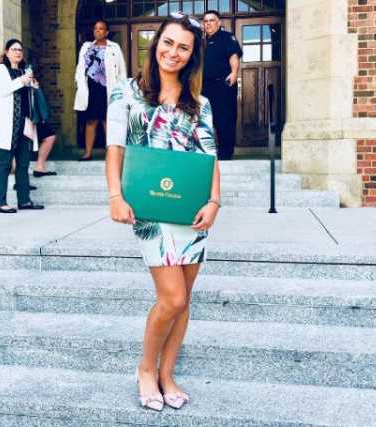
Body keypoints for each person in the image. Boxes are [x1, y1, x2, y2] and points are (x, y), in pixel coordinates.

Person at [106, 12, 221, 411]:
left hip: (191, 209)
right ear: (156, 44)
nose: (174, 52)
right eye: (168, 43)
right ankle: (145, 368)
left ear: (192, 56)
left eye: (184, 47)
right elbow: (115, 148)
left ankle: (167, 374)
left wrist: (214, 202)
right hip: (149, 207)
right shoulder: (125, 92)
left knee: (184, 299)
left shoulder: (200, 103)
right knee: (171, 298)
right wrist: (115, 195)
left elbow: (210, 157)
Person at [0, 39, 44, 213]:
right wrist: (22, 80)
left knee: (23, 163)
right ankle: (0, 203)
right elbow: (0, 90)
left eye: (20, 50)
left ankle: (25, 200)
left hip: (24, 123)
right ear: (6, 52)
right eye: (14, 49)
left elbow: (29, 97)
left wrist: (33, 86)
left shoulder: (25, 70)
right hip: (8, 124)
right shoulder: (0, 70)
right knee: (5, 162)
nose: (18, 52)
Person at [74, 19, 127, 161]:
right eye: (95, 28)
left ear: (106, 32)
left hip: (108, 89)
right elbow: (80, 67)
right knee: (90, 121)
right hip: (90, 89)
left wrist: (121, 90)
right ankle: (88, 153)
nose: (97, 31)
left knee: (107, 121)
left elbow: (121, 69)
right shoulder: (86, 47)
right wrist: (78, 82)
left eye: (101, 28)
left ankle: (111, 154)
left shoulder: (114, 47)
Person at [0, 87, 57, 179]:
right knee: (15, 146)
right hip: (11, 118)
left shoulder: (28, 77)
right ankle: (20, 177)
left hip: (30, 117)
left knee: (49, 136)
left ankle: (39, 167)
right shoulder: (3, 78)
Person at [202, 10, 242, 160]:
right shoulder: (201, 41)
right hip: (204, 86)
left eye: (212, 20)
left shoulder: (226, 37)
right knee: (205, 119)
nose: (208, 23)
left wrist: (234, 72)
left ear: (218, 23)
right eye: (206, 21)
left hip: (222, 85)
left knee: (224, 119)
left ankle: (225, 154)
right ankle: (208, 152)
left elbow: (233, 56)